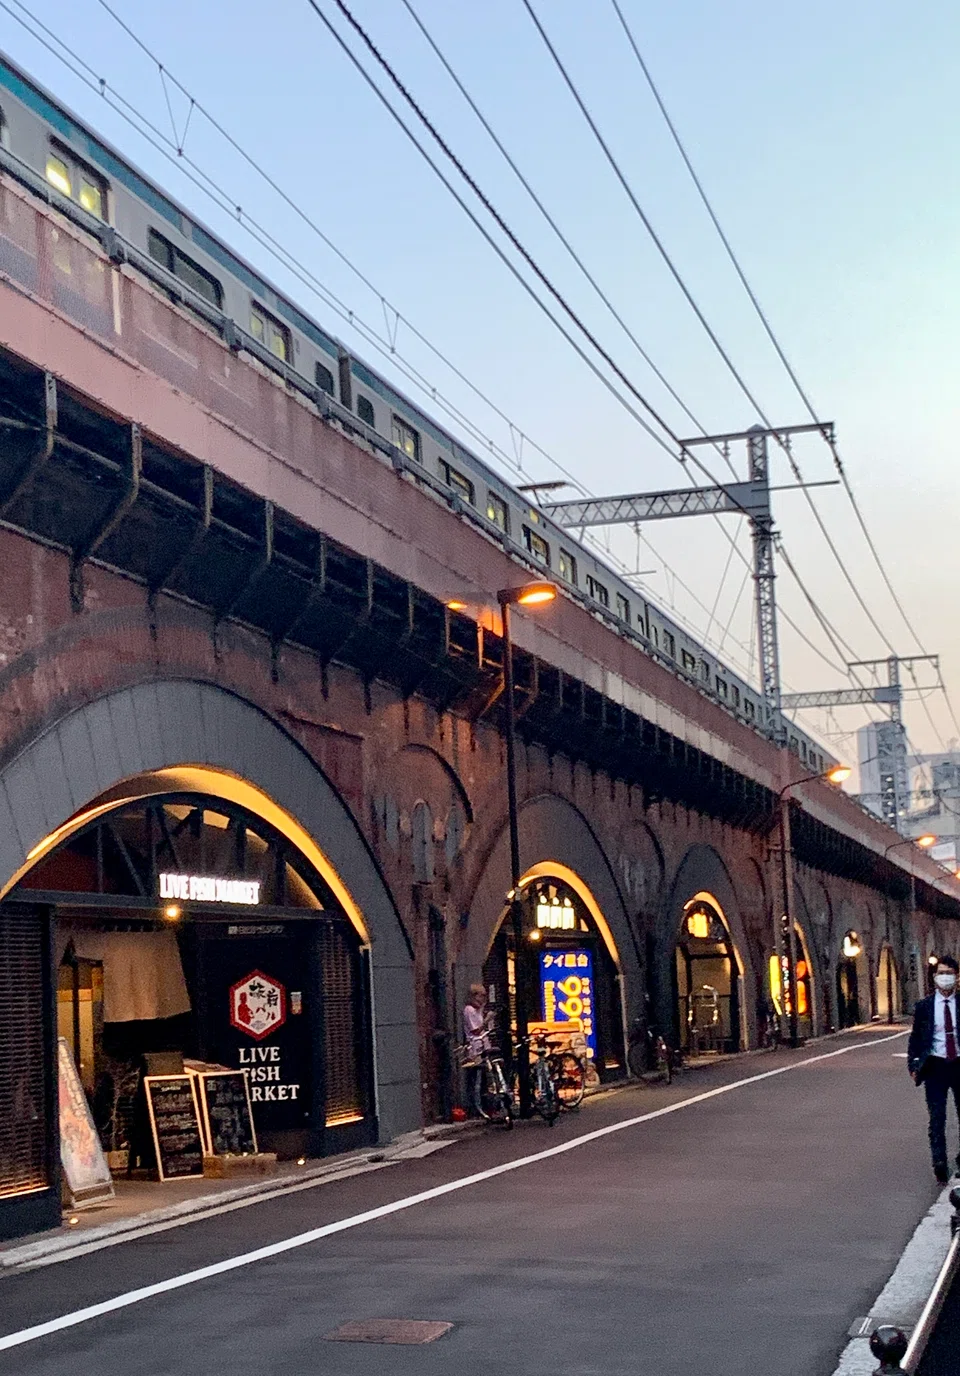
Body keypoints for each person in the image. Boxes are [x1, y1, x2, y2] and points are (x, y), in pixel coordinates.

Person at [908, 955, 960, 1184]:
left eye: (949, 972)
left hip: (959, 1064)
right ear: (934, 977)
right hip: (935, 1065)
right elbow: (916, 1038)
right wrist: (913, 1063)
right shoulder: (925, 1006)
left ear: (956, 977)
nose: (944, 977)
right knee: (937, 1117)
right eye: (940, 973)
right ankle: (939, 1161)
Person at [462, 983, 492, 1113]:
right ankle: (477, 1107)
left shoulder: (477, 1010)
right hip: (476, 1048)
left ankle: (486, 1106)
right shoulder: (469, 1010)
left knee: (485, 1076)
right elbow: (475, 1031)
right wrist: (487, 1020)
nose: (483, 999)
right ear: (474, 996)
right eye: (482, 996)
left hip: (483, 1045)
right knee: (478, 1078)